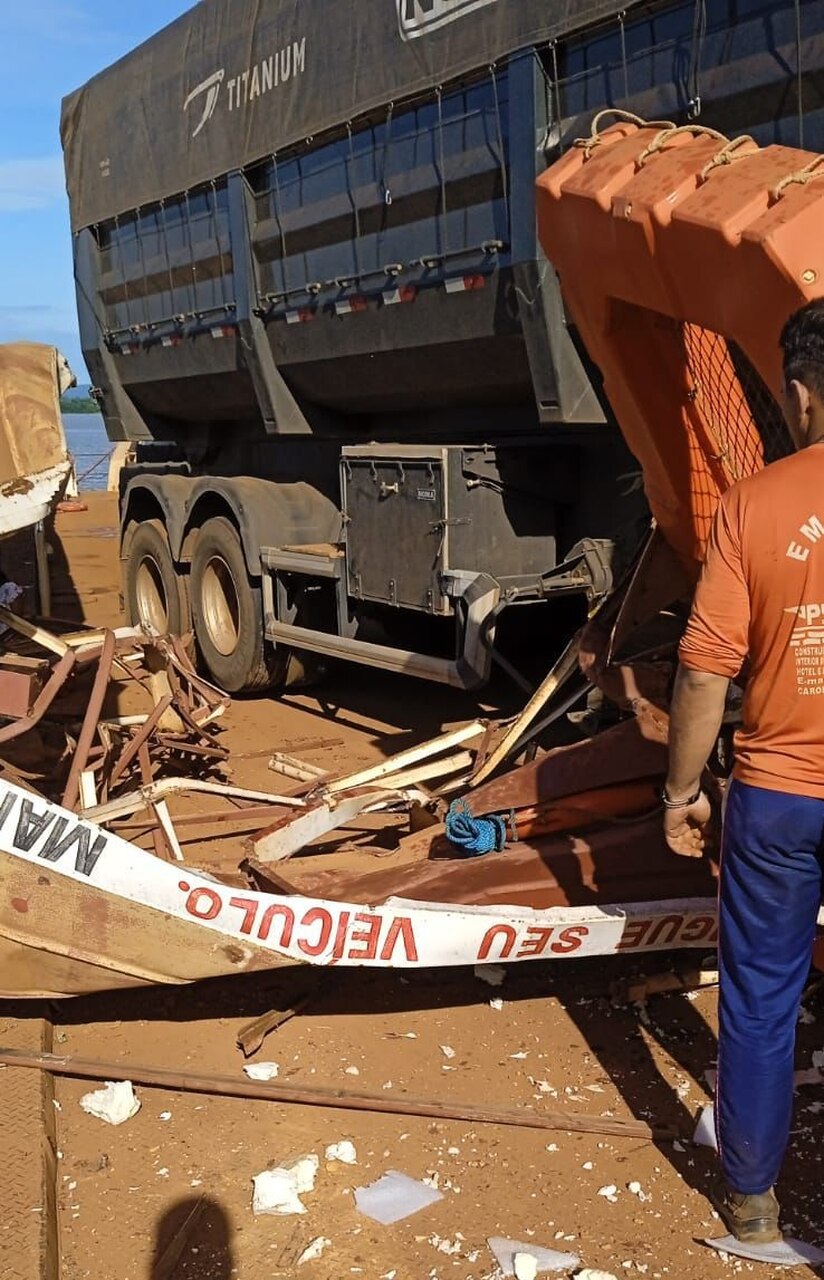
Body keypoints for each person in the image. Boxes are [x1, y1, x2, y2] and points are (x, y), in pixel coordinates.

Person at [662, 297, 824, 1245]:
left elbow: (702, 668)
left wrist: (682, 793)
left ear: (800, 396)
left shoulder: (754, 504)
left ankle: (754, 1204)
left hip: (776, 797)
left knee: (762, 998)